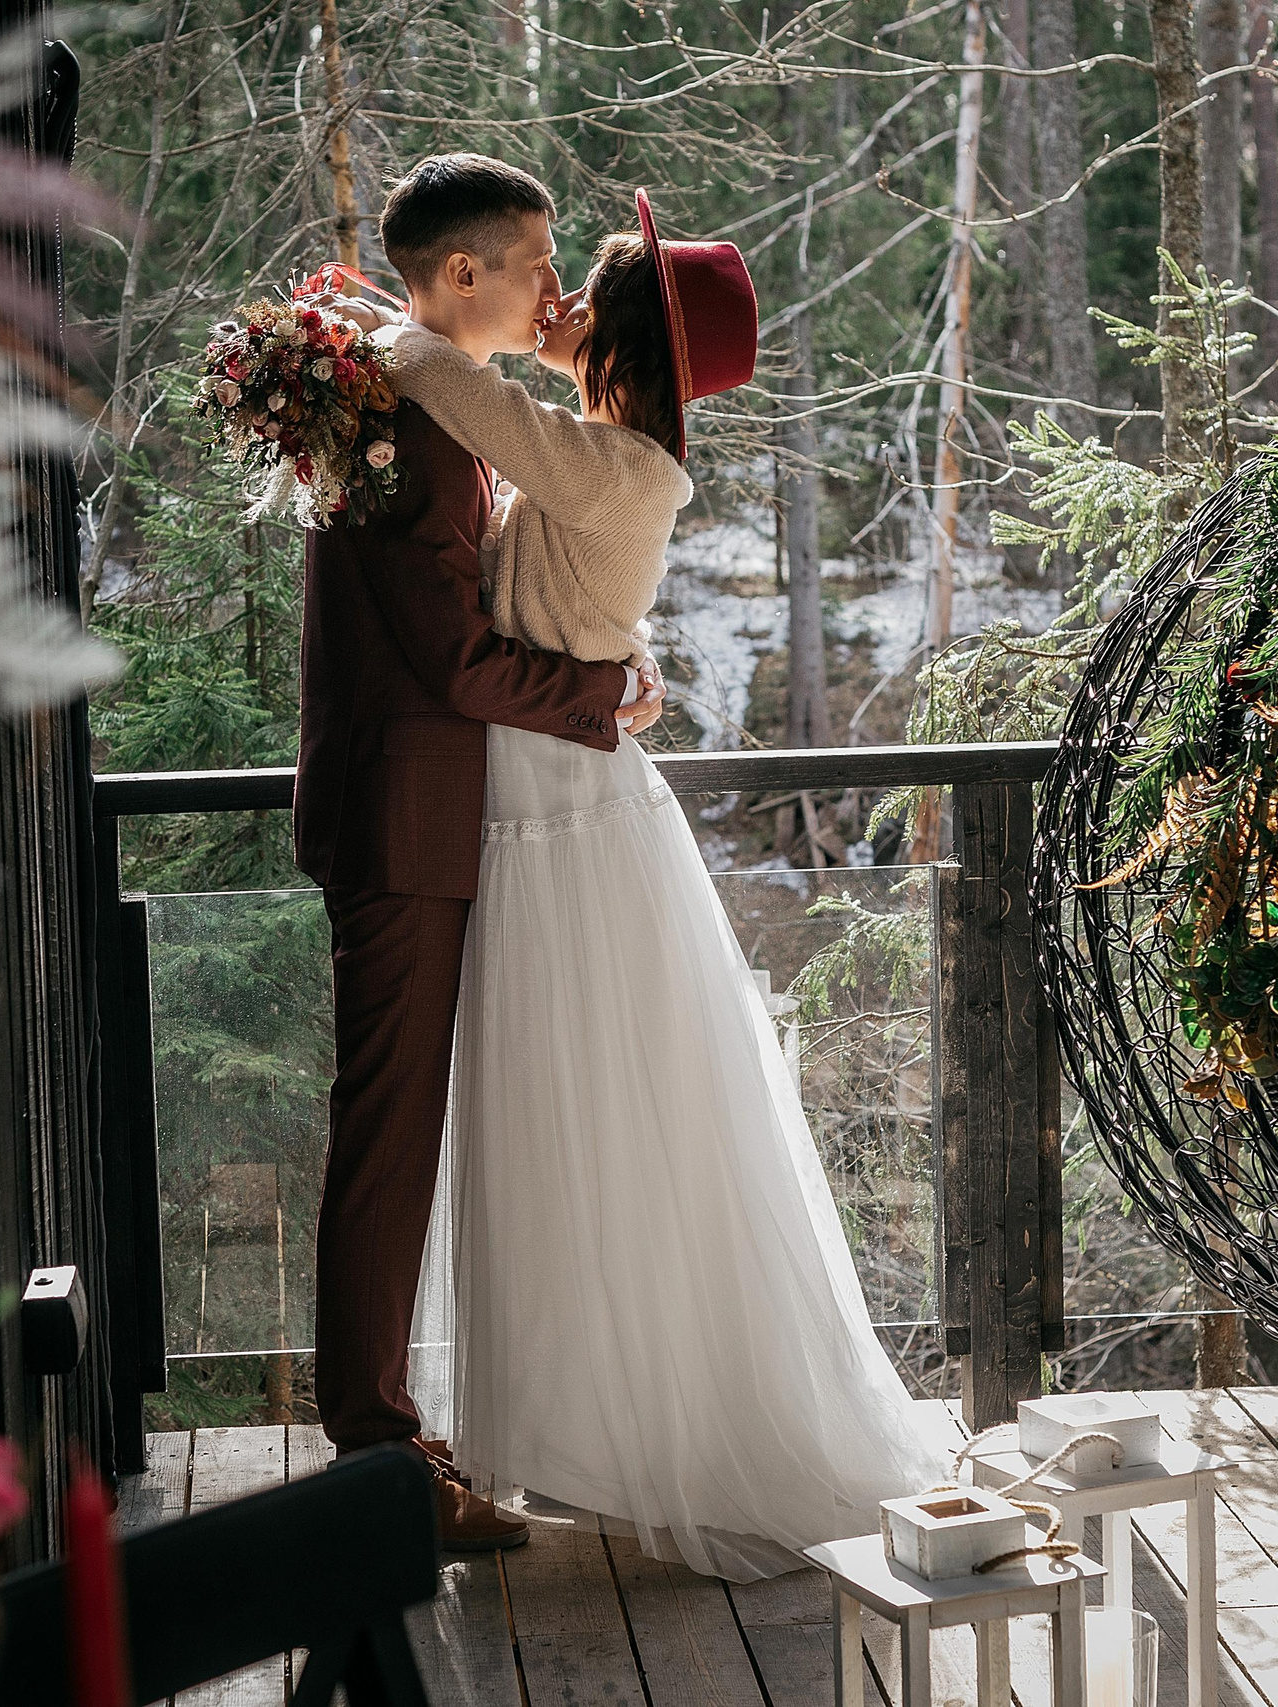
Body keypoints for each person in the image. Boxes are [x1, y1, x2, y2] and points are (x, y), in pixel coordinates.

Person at [324, 176, 953, 1580]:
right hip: (540, 790)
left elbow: (430, 361)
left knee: (598, 1114)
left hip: (558, 808)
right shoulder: (601, 448)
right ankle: (578, 1421)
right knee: (567, 1119)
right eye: (542, 274)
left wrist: (356, 320)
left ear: (615, 346)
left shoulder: (605, 462)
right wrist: (609, 675)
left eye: (574, 290)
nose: (551, 302)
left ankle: (644, 1425)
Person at [292, 154, 666, 1552]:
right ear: (462, 276)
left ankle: (390, 1428)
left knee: (399, 1134)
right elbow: (453, 660)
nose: (551, 291)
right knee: (387, 1141)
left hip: (428, 808)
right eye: (530, 264)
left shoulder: (427, 408)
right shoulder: (420, 423)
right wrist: (599, 702)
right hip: (410, 815)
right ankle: (380, 1464)